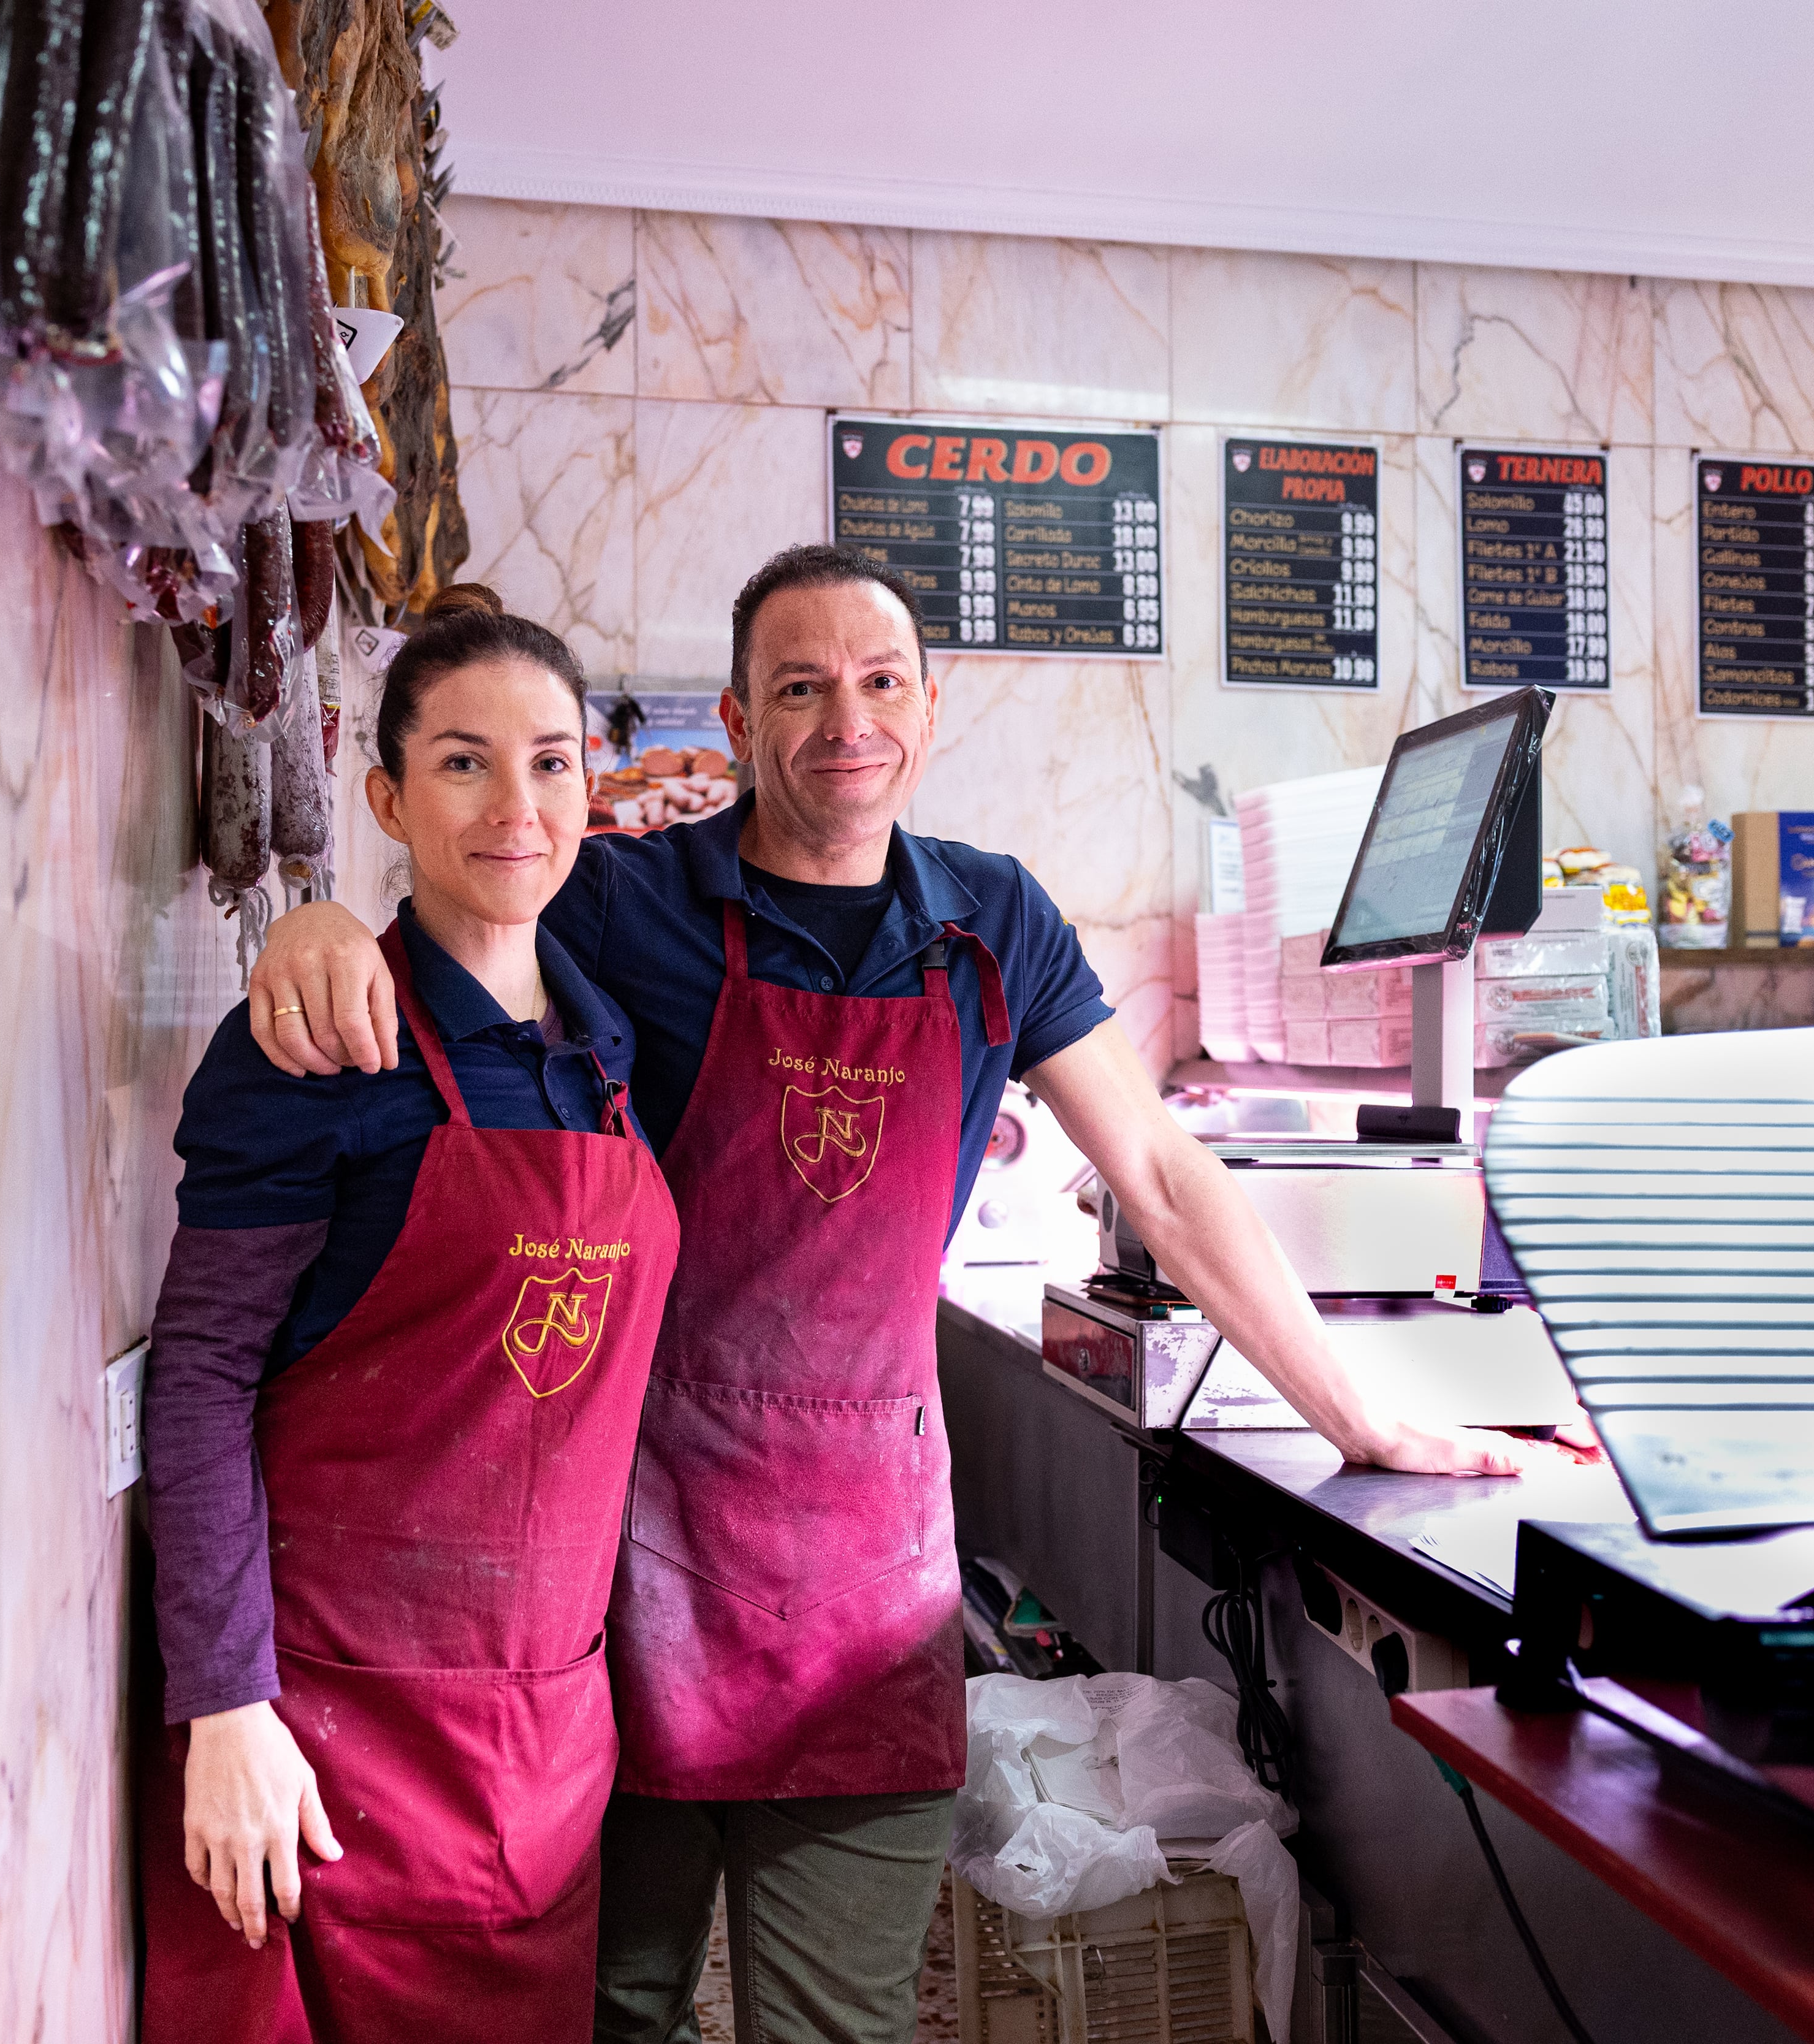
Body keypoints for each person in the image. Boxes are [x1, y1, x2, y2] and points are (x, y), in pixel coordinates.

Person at [242, 546, 1577, 2043]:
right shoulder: (623, 902)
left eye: (879, 682)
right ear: (740, 725)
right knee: (609, 2011)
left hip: (863, 1577)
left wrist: (1362, 1413)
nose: (844, 718)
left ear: (929, 710)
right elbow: (445, 931)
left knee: (839, 2026)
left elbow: (1162, 1169)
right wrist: (315, 924)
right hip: (624, 1565)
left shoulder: (992, 924)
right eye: (799, 687)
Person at [136, 587, 681, 2040]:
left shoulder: (609, 1046)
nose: (517, 803)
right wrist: (224, 1706)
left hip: (544, 1735)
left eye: (553, 759)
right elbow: (197, 1376)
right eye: (461, 759)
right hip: (319, 1739)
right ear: (385, 793)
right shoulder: (319, 1037)